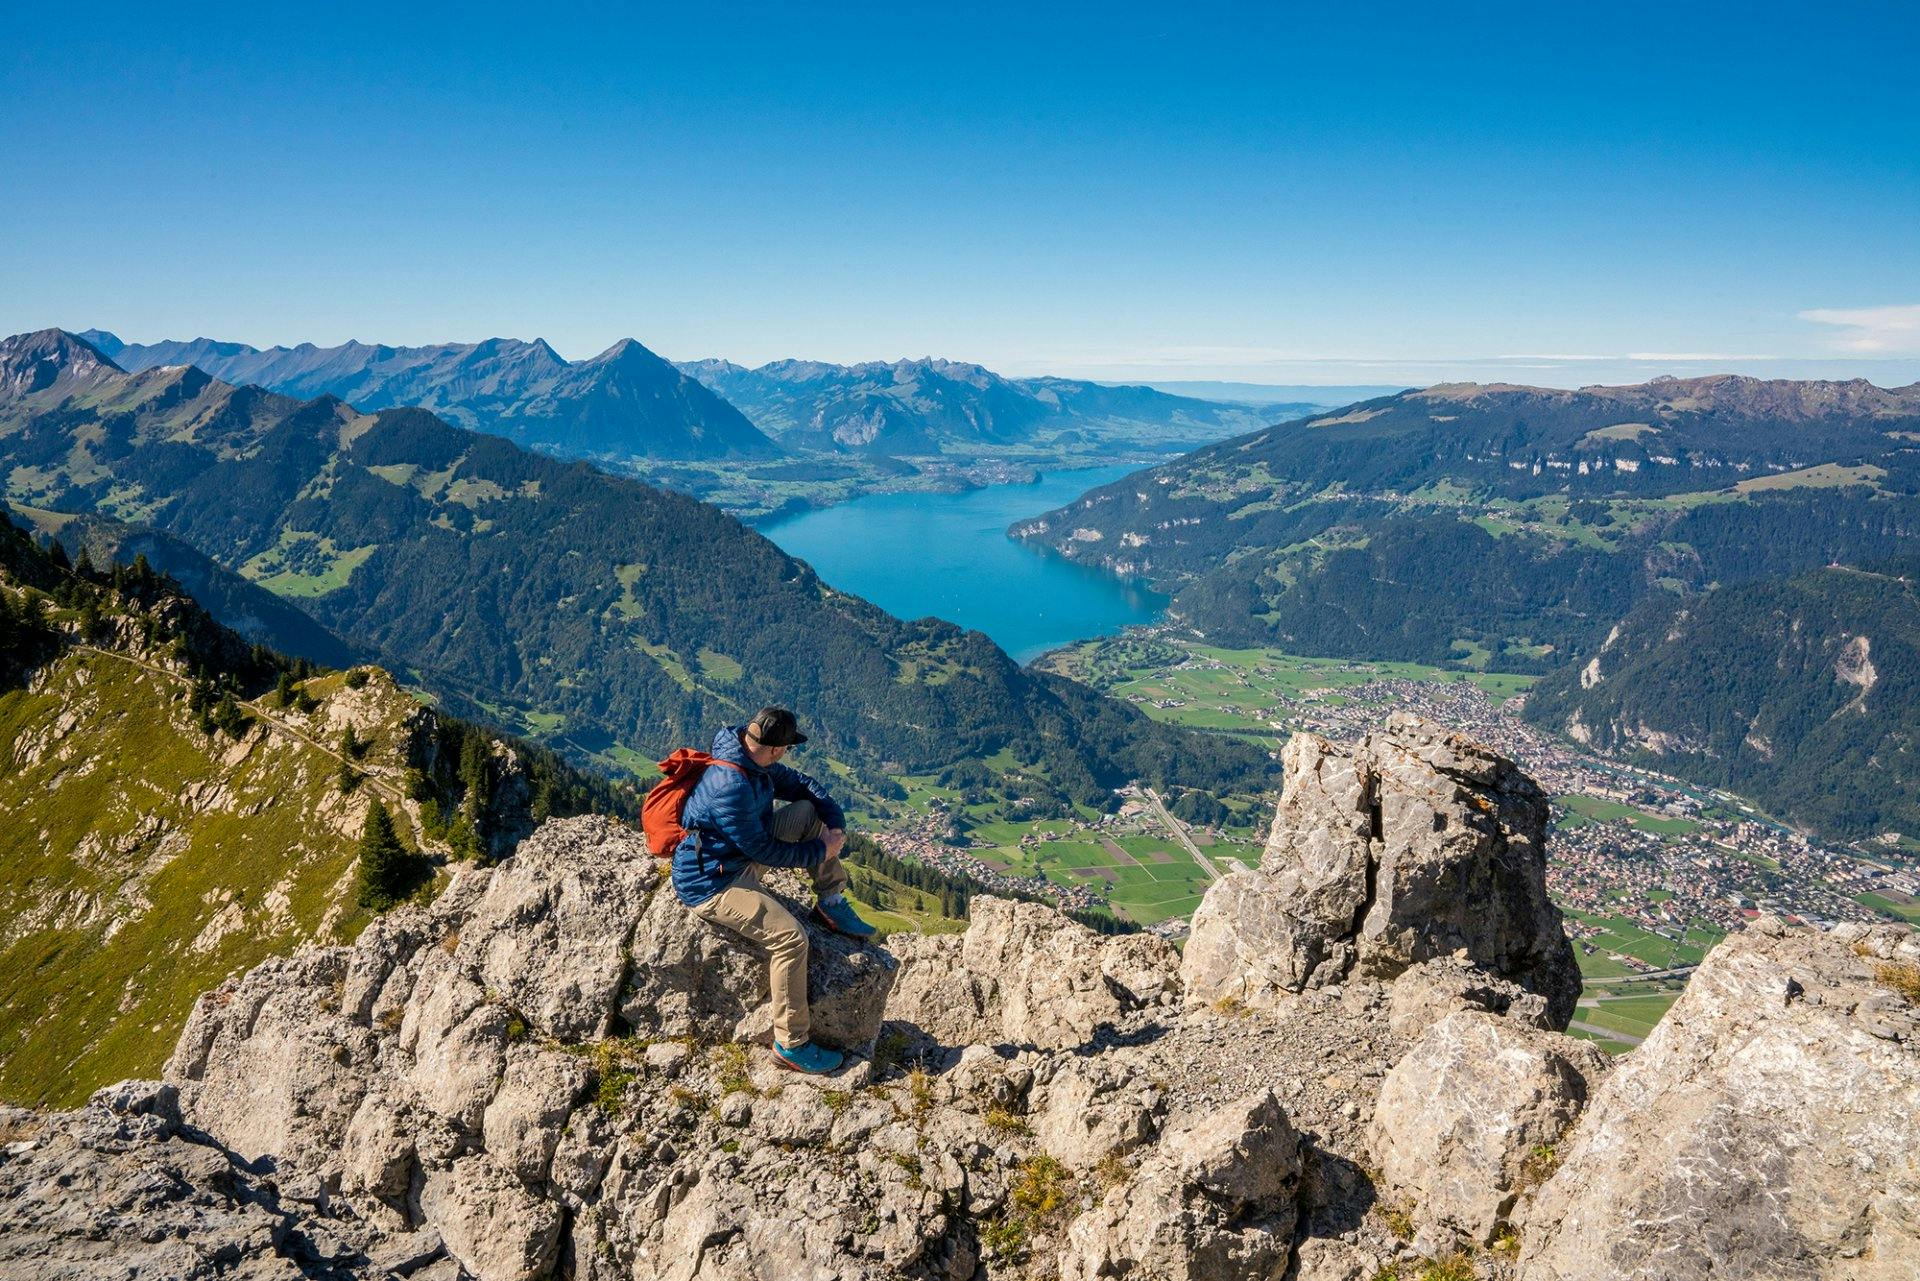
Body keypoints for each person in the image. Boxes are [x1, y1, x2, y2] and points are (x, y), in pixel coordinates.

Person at [671, 706, 875, 1074]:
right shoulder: (730, 786)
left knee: (807, 812)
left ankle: (830, 901)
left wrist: (834, 824)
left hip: (735, 859)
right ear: (777, 748)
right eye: (787, 749)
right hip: (713, 883)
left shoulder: (751, 758)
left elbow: (801, 785)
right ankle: (791, 1043)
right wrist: (821, 850)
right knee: (791, 940)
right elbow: (765, 851)